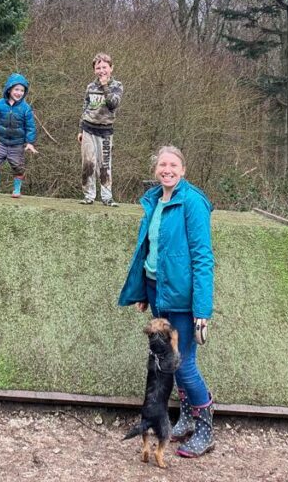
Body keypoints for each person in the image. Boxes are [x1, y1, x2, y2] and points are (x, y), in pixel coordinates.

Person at [118, 145, 216, 458]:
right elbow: (148, 250)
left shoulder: (193, 202)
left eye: (173, 165)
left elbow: (203, 257)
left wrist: (202, 310)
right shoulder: (154, 201)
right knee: (168, 365)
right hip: (157, 291)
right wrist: (144, 294)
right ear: (156, 170)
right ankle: (186, 419)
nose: (167, 170)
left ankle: (205, 429)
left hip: (184, 301)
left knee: (182, 365)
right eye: (162, 165)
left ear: (183, 170)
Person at [77, 52, 123, 206]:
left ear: (111, 68)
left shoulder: (117, 86)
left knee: (104, 165)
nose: (101, 70)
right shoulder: (90, 86)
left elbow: (113, 104)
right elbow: (85, 107)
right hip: (88, 128)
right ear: (94, 70)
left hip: (105, 132)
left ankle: (107, 197)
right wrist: (80, 130)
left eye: (104, 67)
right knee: (88, 163)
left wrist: (104, 85)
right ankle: (89, 196)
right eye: (98, 68)